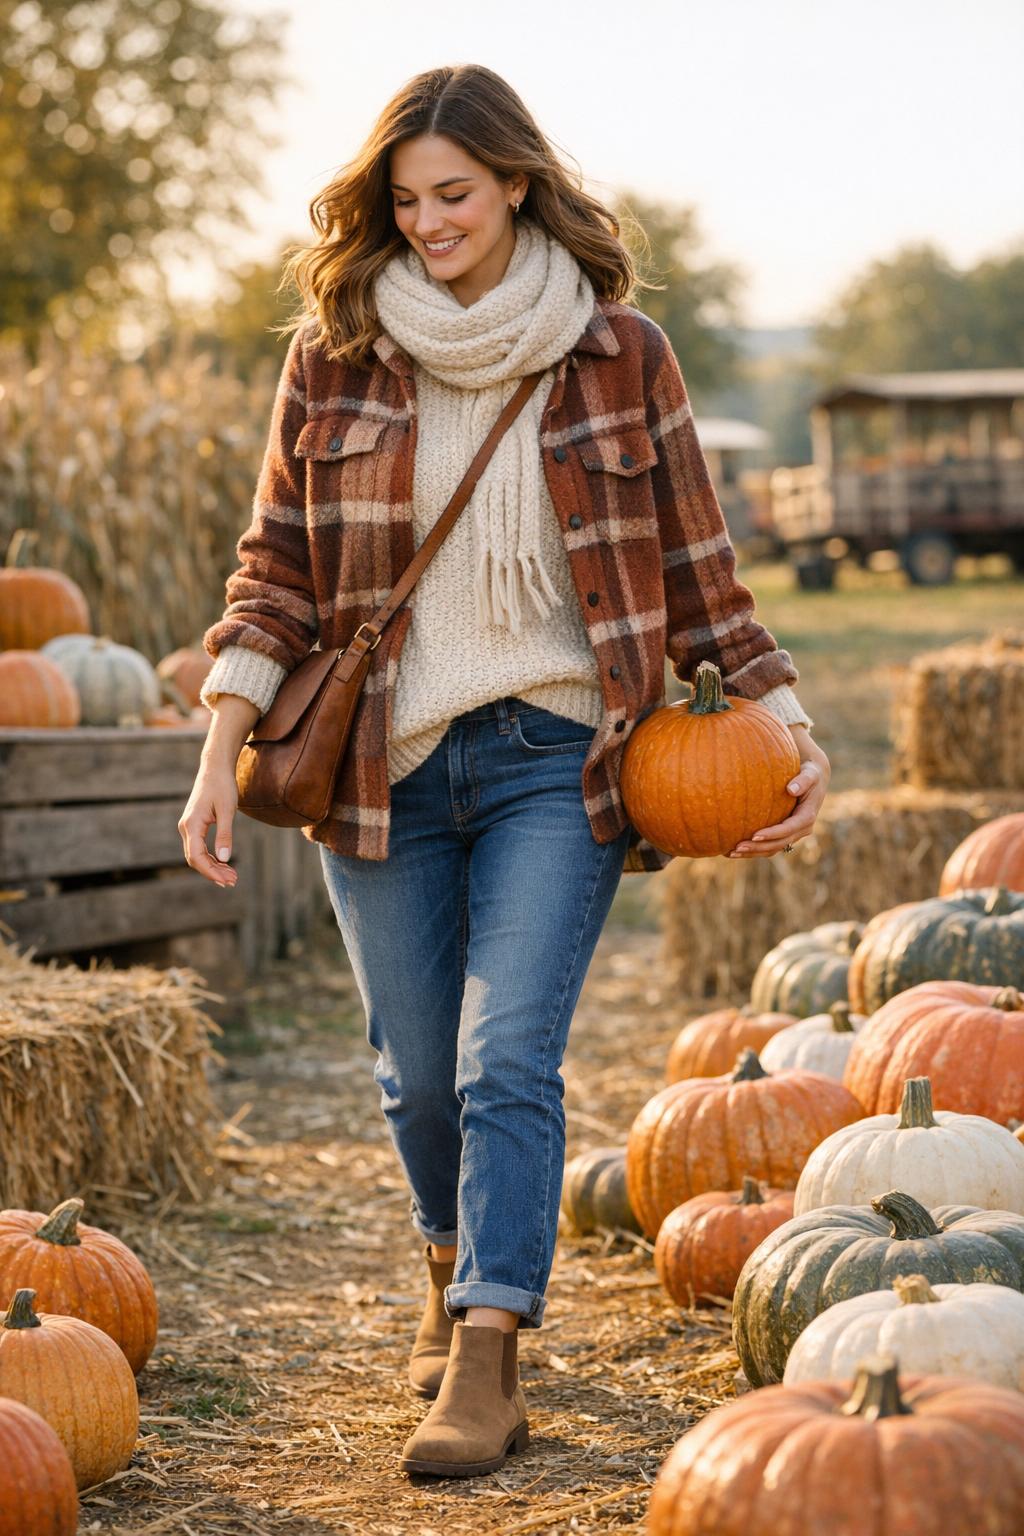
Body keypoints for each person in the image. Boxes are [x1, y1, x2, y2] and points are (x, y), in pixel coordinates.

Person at [179, 63, 830, 1480]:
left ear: (518, 183)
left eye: (453, 196)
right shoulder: (338, 352)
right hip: (378, 765)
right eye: (404, 202)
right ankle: (445, 1260)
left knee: (503, 1057)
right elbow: (274, 571)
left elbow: (700, 565)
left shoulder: (619, 352)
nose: (426, 224)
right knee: (416, 1075)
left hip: (557, 757)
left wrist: (787, 724)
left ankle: (488, 1346)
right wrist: (222, 748)